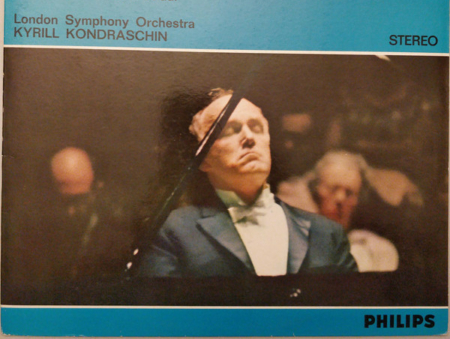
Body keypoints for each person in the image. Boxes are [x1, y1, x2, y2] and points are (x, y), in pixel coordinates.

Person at [135, 90, 357, 277]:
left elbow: (352, 311)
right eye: (230, 130)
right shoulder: (174, 231)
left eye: (257, 127)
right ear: (204, 159)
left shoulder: (327, 233)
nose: (249, 137)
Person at [277, 151, 399, 272]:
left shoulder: (375, 251)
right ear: (315, 190)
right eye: (332, 189)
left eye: (349, 193)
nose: (340, 199)